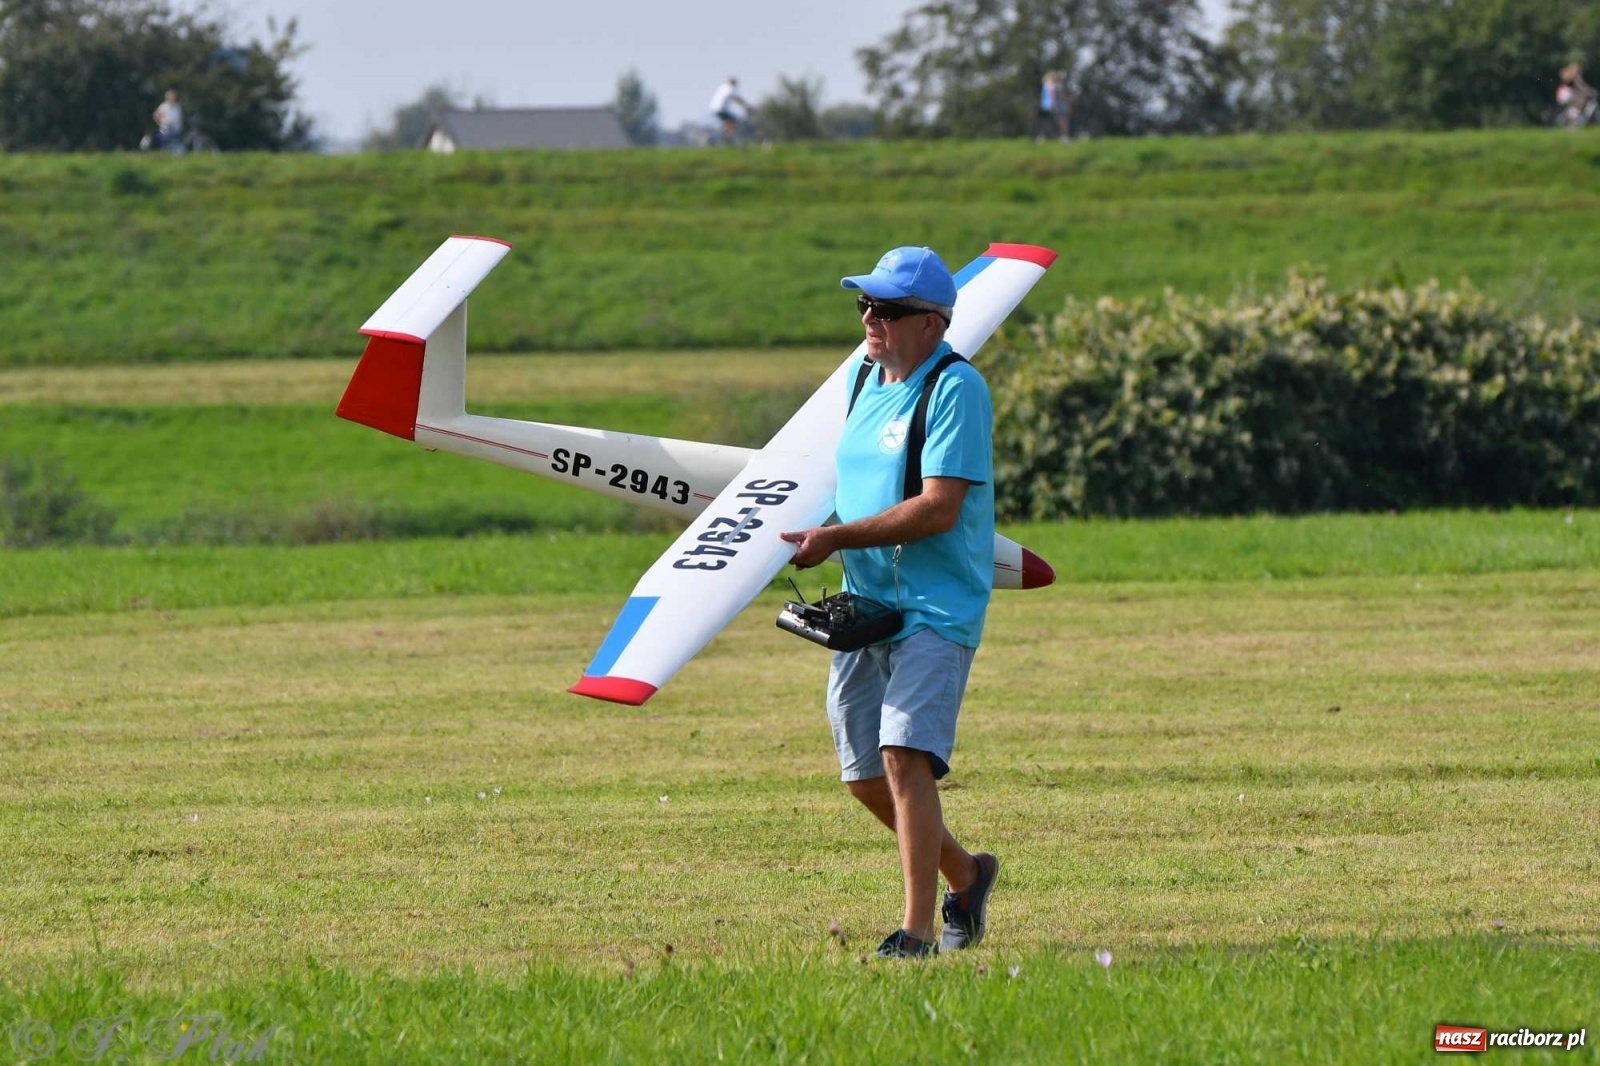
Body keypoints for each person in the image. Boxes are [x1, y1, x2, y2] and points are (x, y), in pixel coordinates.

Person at [780, 247, 1000, 960]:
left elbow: (938, 508)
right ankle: (967, 876)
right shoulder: (861, 376)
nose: (871, 319)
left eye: (889, 310)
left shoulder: (957, 390)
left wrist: (834, 536)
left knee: (904, 753)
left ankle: (916, 933)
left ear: (932, 324)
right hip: (865, 604)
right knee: (865, 777)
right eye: (865, 306)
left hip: (936, 607)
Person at [707, 76, 750, 144]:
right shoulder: (730, 89)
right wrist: (746, 106)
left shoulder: (723, 87)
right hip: (720, 109)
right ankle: (726, 136)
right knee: (734, 121)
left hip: (714, 108)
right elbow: (738, 99)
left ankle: (724, 133)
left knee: (729, 122)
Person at [152, 89, 185, 154]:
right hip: (166, 129)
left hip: (177, 129)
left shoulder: (178, 106)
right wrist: (160, 124)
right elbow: (155, 115)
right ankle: (163, 152)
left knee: (176, 142)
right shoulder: (164, 106)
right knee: (165, 141)